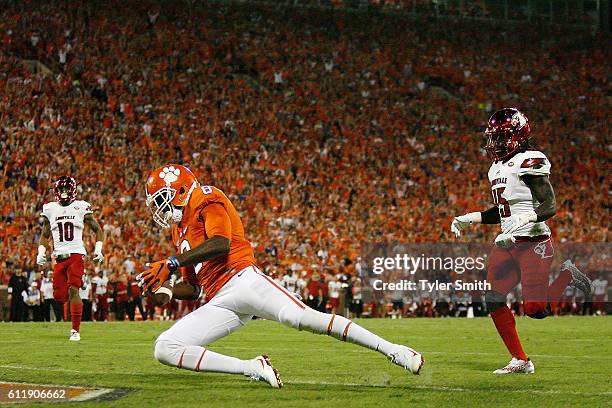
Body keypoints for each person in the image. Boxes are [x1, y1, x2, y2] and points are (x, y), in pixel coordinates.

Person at [137, 164, 423, 388]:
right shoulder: (178, 230)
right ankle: (252, 367)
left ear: (180, 190)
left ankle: (394, 349)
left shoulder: (206, 198)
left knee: (302, 318)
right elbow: (192, 287)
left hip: (243, 279)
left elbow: (220, 243)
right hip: (220, 300)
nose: (158, 209)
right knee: (165, 348)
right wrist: (165, 288)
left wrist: (172, 263)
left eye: (160, 199)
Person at [451, 108, 592, 374]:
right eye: (494, 137)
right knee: (493, 298)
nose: (496, 143)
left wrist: (526, 218)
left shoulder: (530, 159)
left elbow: (549, 205)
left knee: (537, 309)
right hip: (507, 242)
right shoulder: (496, 168)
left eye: (502, 136)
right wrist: (470, 218)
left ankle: (567, 276)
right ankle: (520, 360)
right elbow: (503, 210)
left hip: (533, 241)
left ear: (519, 134)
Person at [36, 175, 105, 341]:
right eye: (61, 189)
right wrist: (40, 252)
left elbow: (97, 229)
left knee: (74, 289)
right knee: (59, 296)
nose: (64, 192)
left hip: (76, 254)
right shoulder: (50, 208)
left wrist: (98, 249)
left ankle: (75, 330)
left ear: (73, 190)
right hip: (59, 257)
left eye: (66, 189)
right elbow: (45, 234)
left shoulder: (81, 207)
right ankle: (74, 294)